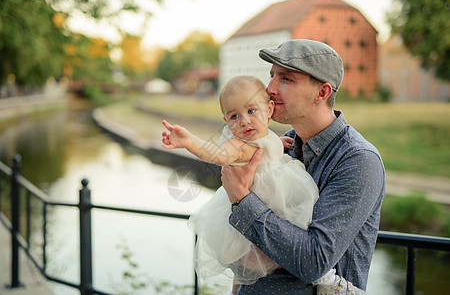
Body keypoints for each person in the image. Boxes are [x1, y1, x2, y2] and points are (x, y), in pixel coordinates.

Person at [161, 75, 367, 295]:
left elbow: (263, 147)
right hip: (266, 201)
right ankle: (324, 279)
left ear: (269, 109)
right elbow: (218, 154)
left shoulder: (271, 137)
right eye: (234, 116)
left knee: (301, 231)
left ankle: (319, 275)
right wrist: (189, 141)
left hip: (274, 200)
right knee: (276, 245)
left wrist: (276, 144)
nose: (244, 121)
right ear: (226, 121)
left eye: (251, 111)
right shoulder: (237, 146)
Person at [221, 39, 386, 295]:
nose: (270, 89)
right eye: (272, 76)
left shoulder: (358, 160)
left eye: (286, 79)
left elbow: (313, 262)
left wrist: (242, 200)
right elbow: (248, 240)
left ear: (322, 93)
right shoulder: (281, 143)